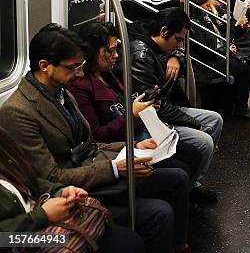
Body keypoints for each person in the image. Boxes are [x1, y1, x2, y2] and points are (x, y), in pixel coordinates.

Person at [0, 23, 191, 252]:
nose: (80, 73)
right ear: (45, 66)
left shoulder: (62, 94)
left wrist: (131, 145)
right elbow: (49, 177)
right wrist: (113, 169)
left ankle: (179, 244)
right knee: (157, 215)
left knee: (178, 177)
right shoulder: (18, 112)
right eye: (72, 68)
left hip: (79, 179)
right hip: (62, 198)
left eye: (80, 66)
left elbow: (89, 145)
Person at [69, 21, 206, 189]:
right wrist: (133, 114)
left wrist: (145, 103)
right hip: (121, 143)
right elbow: (97, 135)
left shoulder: (108, 75)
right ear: (91, 52)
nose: (116, 55)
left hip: (138, 130)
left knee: (194, 155)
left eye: (115, 49)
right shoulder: (80, 87)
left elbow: (125, 102)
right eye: (109, 51)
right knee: (182, 169)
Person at [0, 126, 145, 252]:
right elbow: (4, 239)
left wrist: (60, 191)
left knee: (128, 240)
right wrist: (42, 216)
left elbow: (31, 181)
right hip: (21, 239)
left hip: (40, 223)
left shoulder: (5, 146)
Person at [129, 7, 223, 202]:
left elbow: (177, 56)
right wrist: (193, 123)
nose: (180, 45)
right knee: (205, 141)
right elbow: (154, 105)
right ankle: (187, 191)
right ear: (164, 32)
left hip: (167, 107)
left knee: (215, 119)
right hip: (155, 118)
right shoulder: (141, 56)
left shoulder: (160, 48)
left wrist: (175, 57)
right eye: (178, 40)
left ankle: (193, 182)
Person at [190, 0, 250, 116]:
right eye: (206, 5)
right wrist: (225, 50)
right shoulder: (196, 23)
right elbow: (205, 51)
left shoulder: (208, 17)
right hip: (208, 64)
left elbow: (222, 37)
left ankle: (237, 102)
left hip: (219, 53)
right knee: (246, 70)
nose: (208, 8)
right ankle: (240, 107)